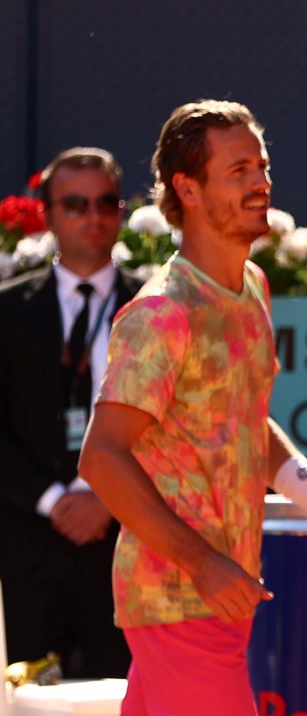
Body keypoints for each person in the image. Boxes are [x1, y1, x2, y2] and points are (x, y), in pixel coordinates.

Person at [79, 100, 307, 715]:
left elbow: (244, 421)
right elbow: (101, 458)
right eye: (239, 168)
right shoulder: (162, 312)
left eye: (262, 165)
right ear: (187, 188)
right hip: (179, 595)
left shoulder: (253, 286)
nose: (261, 182)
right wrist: (203, 564)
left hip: (217, 591)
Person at [0, 147, 139, 678]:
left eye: (106, 202)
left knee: (122, 696)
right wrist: (56, 500)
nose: (94, 217)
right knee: (27, 692)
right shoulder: (9, 310)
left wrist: (104, 499)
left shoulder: (151, 306)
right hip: (28, 547)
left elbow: (169, 428)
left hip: (124, 548)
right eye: (76, 204)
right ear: (49, 215)